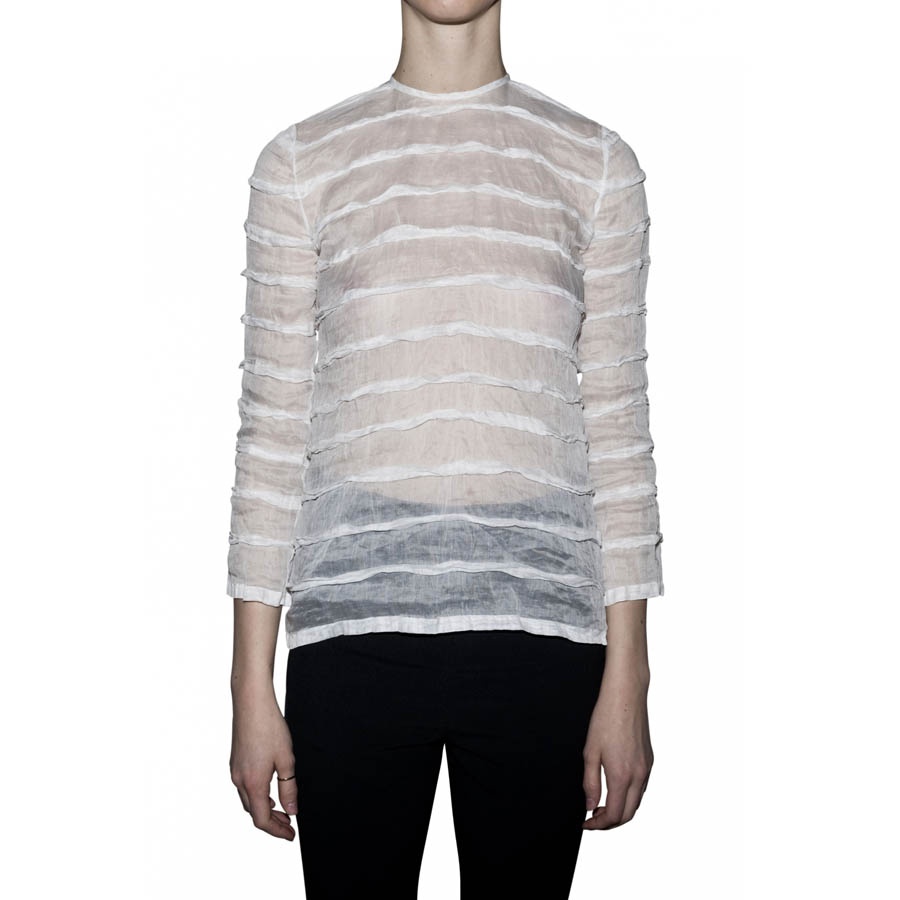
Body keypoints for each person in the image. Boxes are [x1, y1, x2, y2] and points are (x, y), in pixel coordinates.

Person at [227, 1, 665, 896]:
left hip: (542, 631)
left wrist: (631, 679)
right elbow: (272, 428)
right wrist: (248, 686)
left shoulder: (594, 164)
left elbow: (618, 427)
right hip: (351, 631)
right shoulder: (304, 162)